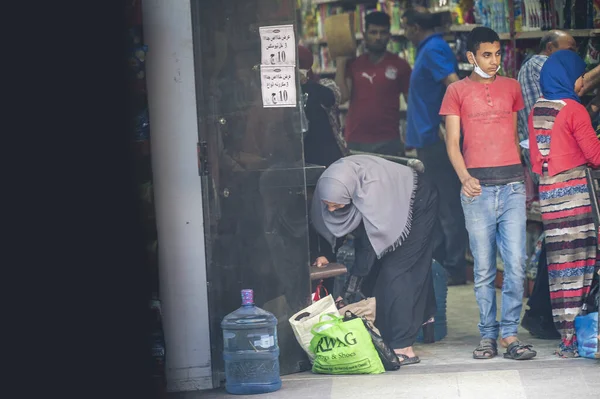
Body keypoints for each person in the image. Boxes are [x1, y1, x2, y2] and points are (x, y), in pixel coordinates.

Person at [440, 27, 537, 360]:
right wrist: (464, 178)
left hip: (512, 186)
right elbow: (452, 143)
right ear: (471, 56)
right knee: (483, 269)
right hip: (477, 189)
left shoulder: (511, 88)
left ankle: (510, 335)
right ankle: (488, 336)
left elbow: (511, 138)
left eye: (497, 54)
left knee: (516, 264)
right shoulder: (456, 91)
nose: (494, 61)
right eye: (486, 55)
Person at [311, 155, 437, 365]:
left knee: (398, 271)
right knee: (380, 273)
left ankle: (403, 346)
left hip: (416, 202)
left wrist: (352, 287)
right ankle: (412, 320)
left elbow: (371, 246)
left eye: (336, 205)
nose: (331, 210)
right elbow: (330, 225)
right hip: (386, 207)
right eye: (327, 205)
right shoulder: (337, 184)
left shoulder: (373, 190)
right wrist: (326, 253)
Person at [528, 49, 600, 358]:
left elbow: (535, 162)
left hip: (549, 197)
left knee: (560, 267)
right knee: (582, 265)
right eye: (579, 76)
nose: (582, 83)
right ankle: (580, 334)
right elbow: (596, 157)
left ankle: (566, 337)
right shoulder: (574, 110)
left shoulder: (538, 109)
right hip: (576, 197)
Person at [516, 30, 576, 340]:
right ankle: (542, 311)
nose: (574, 57)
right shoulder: (538, 64)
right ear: (551, 49)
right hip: (552, 164)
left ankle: (542, 311)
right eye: (570, 51)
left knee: (559, 237)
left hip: (549, 162)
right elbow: (574, 88)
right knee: (561, 238)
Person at [402, 7, 467, 286]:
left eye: (405, 27)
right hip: (427, 139)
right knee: (436, 203)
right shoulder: (427, 48)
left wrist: (447, 122)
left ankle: (453, 266)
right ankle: (442, 263)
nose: (404, 32)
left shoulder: (433, 49)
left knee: (447, 205)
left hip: (436, 140)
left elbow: (453, 86)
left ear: (415, 27)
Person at [334, 11, 411, 156]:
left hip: (389, 141)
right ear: (365, 35)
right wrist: (340, 63)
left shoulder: (401, 65)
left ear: (389, 35)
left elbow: (411, 102)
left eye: (383, 33)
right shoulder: (355, 64)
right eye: (373, 32)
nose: (378, 37)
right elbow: (342, 98)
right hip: (355, 140)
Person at [298, 45, 348, 168]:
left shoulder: (324, 85)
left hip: (328, 160)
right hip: (299, 161)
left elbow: (332, 98)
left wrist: (305, 83)